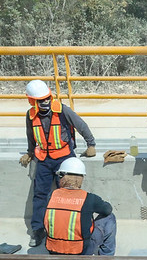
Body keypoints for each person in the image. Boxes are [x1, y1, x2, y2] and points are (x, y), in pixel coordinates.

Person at [20, 80, 97, 248]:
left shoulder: (62, 111)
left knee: (70, 192)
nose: (45, 102)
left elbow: (80, 125)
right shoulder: (30, 115)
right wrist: (30, 152)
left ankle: (73, 227)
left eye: (47, 98)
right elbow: (30, 134)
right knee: (40, 195)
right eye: (41, 100)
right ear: (32, 101)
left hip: (64, 157)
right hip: (44, 160)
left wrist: (91, 144)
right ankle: (38, 230)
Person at [43, 157, 116, 255]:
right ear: (81, 178)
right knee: (110, 218)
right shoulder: (89, 198)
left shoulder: (51, 196)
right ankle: (106, 258)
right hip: (81, 252)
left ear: (62, 177)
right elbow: (107, 210)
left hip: (54, 251)